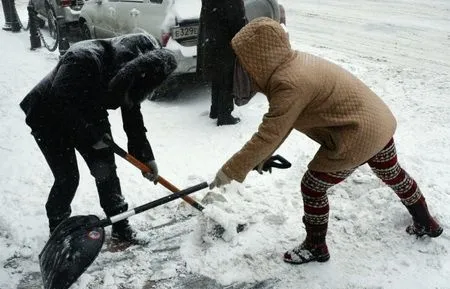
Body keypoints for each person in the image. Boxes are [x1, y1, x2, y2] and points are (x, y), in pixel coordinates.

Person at [209, 17, 443, 264]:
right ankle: (425, 221)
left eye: (244, 61)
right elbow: (280, 127)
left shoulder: (288, 84)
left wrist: (229, 173)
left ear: (258, 59)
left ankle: (315, 246)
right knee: (392, 172)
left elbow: (269, 134)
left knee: (312, 187)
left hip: (357, 133)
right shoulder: (295, 63)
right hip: (377, 122)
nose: (241, 68)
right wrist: (260, 158)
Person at [20, 33, 177, 242]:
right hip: (47, 116)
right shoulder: (83, 57)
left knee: (106, 170)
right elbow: (60, 100)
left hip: (88, 112)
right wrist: (91, 135)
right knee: (67, 178)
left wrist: (145, 158)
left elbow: (133, 117)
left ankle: (120, 225)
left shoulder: (130, 75)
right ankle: (57, 232)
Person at [196, 0, 246, 126]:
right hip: (225, 41)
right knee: (227, 78)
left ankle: (215, 109)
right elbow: (237, 20)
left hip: (211, 39)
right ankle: (225, 115)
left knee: (217, 77)